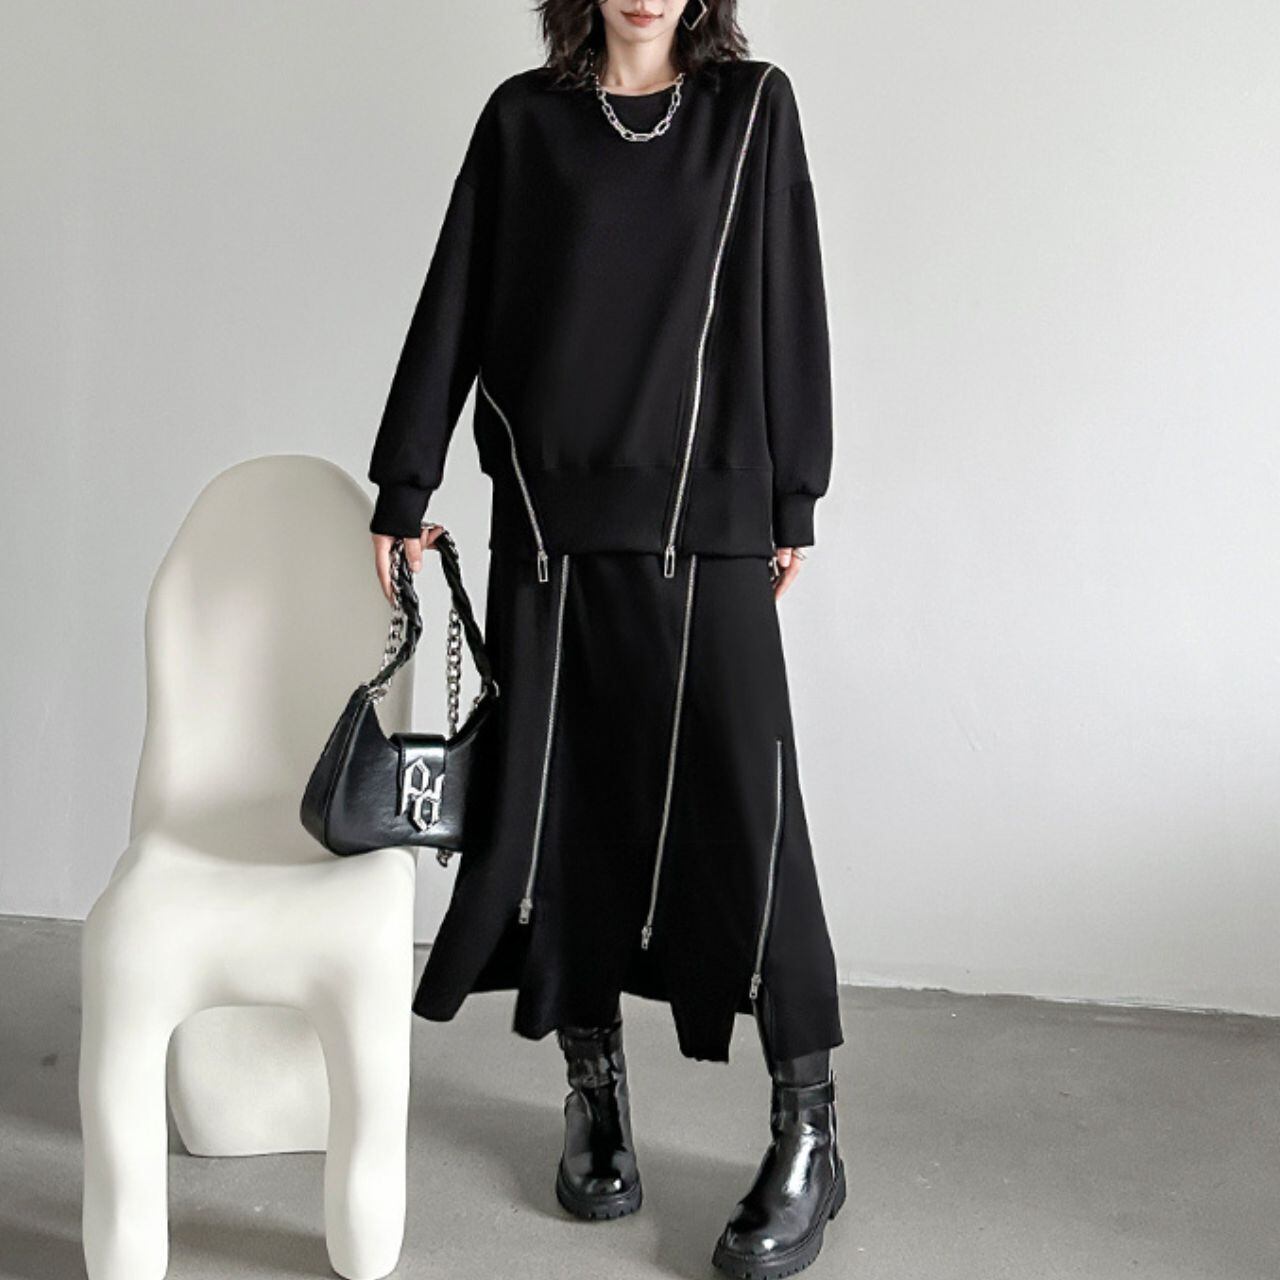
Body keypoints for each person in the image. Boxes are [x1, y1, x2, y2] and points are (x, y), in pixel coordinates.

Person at [366, 2, 844, 1275]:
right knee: (561, 816)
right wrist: (405, 482)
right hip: (549, 526)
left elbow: (785, 292)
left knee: (752, 818)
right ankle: (593, 1092)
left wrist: (794, 495)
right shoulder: (522, 123)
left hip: (709, 518)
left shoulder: (750, 109)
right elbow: (457, 295)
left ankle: (808, 1128)